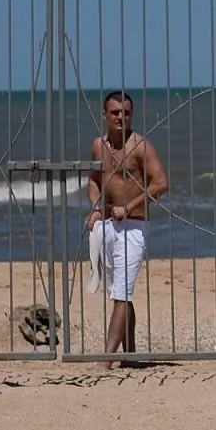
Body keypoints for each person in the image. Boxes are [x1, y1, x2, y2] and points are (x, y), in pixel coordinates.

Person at [85, 90, 169, 369]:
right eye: (115, 113)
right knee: (120, 292)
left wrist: (130, 207)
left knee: (121, 294)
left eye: (126, 113)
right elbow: (94, 180)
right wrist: (96, 208)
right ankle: (129, 353)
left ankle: (106, 360)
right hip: (108, 225)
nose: (121, 117)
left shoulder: (141, 146)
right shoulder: (99, 145)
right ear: (104, 116)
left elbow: (161, 183)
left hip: (134, 226)